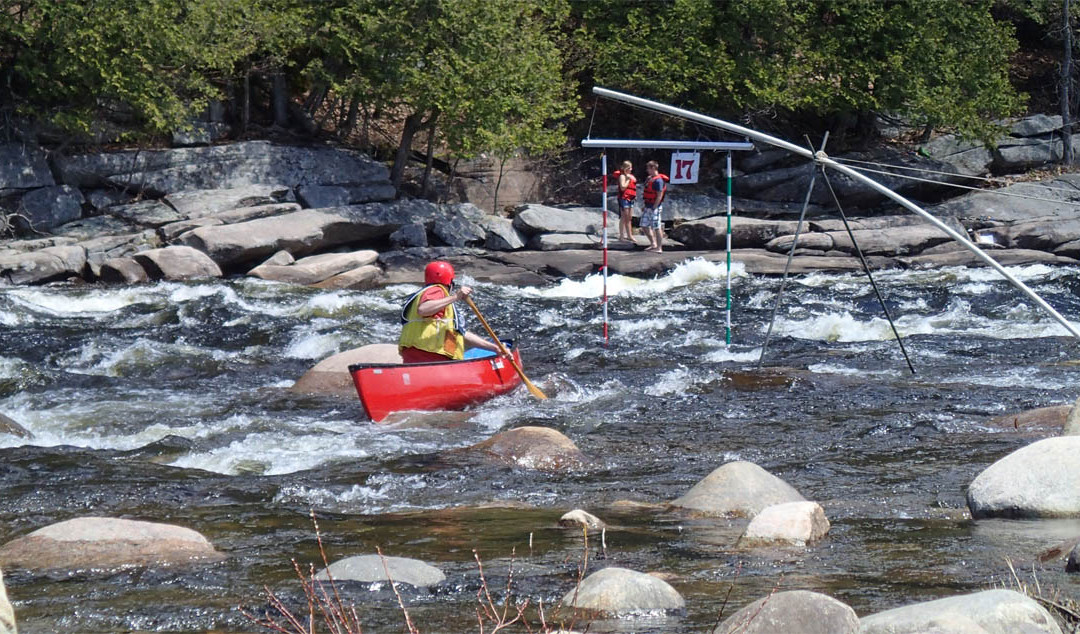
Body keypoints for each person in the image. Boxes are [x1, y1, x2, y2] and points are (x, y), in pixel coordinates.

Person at [398, 260, 501, 364]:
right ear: (450, 282)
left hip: (415, 356)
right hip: (431, 356)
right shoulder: (437, 290)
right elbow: (423, 309)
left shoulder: (425, 296)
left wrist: (494, 348)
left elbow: (461, 333)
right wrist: (456, 297)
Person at [641, 160, 669, 253]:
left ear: (653, 168)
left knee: (657, 227)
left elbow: (659, 195)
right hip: (647, 206)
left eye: (648, 168)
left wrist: (654, 207)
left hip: (655, 207)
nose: (647, 170)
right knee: (644, 225)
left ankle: (659, 248)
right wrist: (644, 206)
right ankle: (653, 243)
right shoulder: (649, 179)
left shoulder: (658, 181)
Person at [615, 160, 637, 242]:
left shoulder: (631, 176)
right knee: (624, 217)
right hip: (624, 199)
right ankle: (621, 236)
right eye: (629, 168)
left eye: (631, 167)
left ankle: (629, 235)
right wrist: (628, 179)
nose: (631, 169)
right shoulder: (622, 176)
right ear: (625, 168)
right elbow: (623, 187)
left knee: (629, 218)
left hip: (630, 199)